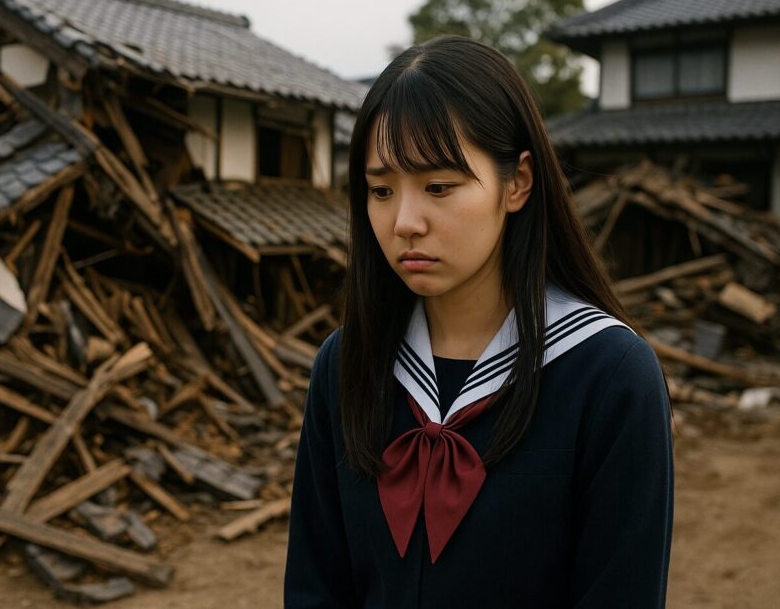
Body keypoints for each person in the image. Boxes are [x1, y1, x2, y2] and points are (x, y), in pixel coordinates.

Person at [283, 35, 674, 608]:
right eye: (381, 189)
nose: (405, 221)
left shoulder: (609, 376)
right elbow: (315, 588)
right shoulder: (347, 365)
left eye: (439, 186)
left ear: (516, 183)